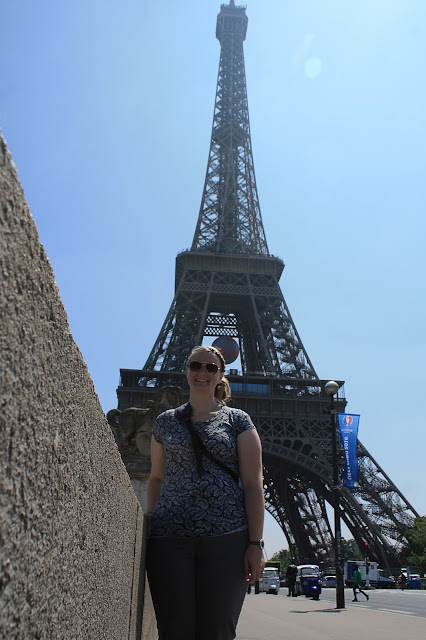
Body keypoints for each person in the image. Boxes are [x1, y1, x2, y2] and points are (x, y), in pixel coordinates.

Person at [145, 345, 265, 640]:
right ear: (186, 370)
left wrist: (254, 543)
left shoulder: (238, 420)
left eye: (211, 368)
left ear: (221, 375)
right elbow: (157, 477)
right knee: (174, 630)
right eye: (196, 365)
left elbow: (253, 483)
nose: (203, 372)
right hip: (170, 539)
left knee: (217, 631)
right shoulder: (165, 422)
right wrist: (148, 517)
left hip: (226, 541)